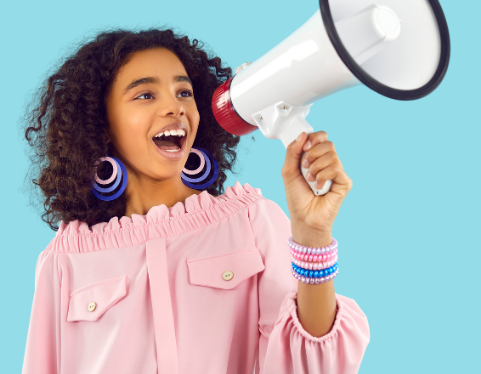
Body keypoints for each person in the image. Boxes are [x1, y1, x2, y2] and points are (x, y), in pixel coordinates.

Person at [20, 28, 370, 373]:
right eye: (145, 95)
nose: (175, 107)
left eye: (184, 92)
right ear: (103, 124)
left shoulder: (251, 223)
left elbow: (313, 367)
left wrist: (313, 235)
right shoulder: (66, 260)